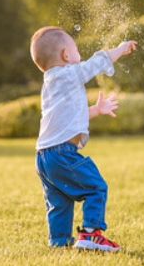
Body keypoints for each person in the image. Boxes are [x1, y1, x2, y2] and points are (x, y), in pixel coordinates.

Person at [29, 26, 137, 251]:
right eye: (76, 49)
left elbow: (68, 117)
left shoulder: (52, 83)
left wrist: (96, 110)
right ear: (66, 55)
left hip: (44, 157)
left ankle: (59, 242)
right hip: (61, 154)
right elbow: (96, 63)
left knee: (59, 202)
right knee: (96, 187)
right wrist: (119, 49)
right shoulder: (67, 74)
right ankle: (90, 234)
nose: (79, 55)